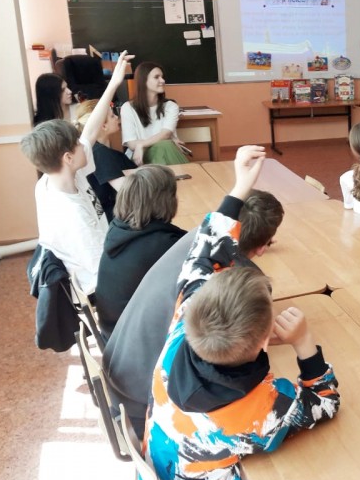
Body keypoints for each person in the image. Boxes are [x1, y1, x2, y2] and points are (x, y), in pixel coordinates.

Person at [145, 145, 340, 480]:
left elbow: (205, 249)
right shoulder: (261, 412)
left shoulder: (184, 322)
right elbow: (325, 402)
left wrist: (240, 187)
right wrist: (303, 343)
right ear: (265, 341)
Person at [104, 186, 285, 439]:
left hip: (118, 368)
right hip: (144, 401)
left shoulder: (198, 242)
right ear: (263, 246)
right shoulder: (239, 283)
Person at [20, 52, 132, 295]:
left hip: (106, 265)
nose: (85, 144)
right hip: (102, 290)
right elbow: (102, 276)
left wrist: (113, 84)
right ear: (68, 158)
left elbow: (90, 131)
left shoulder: (55, 179)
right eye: (77, 144)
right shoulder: (74, 217)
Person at [95, 165, 186, 337]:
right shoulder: (162, 244)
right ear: (167, 201)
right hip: (134, 342)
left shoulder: (117, 229)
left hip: (113, 332)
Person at [74, 100, 137, 222]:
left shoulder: (101, 151)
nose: (117, 117)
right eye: (112, 116)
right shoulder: (99, 153)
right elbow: (126, 191)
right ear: (103, 126)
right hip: (117, 219)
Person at [119, 61, 189, 166]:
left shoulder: (171, 106)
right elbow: (131, 144)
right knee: (165, 145)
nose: (162, 80)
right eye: (156, 77)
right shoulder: (127, 108)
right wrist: (142, 146)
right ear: (143, 81)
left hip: (165, 151)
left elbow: (166, 133)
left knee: (164, 146)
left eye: (162, 77)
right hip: (141, 156)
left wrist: (141, 144)